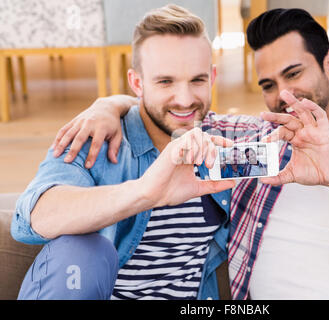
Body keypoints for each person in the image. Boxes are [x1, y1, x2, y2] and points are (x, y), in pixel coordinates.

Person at [34, 8, 329, 300]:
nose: (283, 96)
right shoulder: (248, 141)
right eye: (267, 85)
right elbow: (174, 112)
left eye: (294, 74)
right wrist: (109, 104)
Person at [11, 5, 238, 300]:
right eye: (165, 81)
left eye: (197, 80)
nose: (185, 100)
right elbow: (32, 218)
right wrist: (146, 192)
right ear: (137, 83)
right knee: (81, 251)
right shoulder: (95, 137)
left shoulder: (225, 142)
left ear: (213, 76)